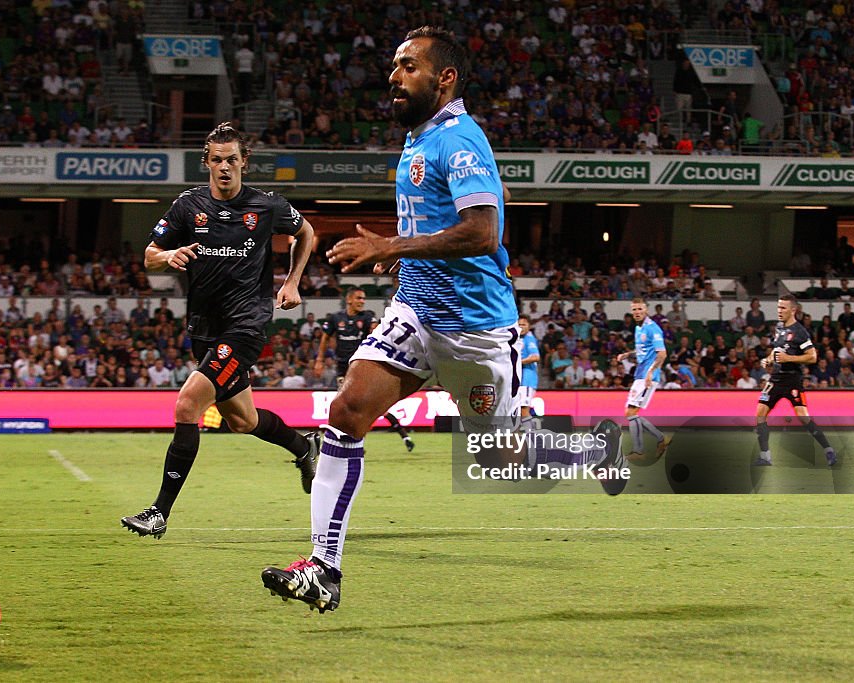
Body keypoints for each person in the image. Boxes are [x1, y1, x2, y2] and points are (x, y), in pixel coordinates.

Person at [260, 26, 623, 614]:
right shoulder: (419, 138)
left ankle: (594, 451)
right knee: (347, 409)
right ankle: (324, 569)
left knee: (503, 460)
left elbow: (484, 233)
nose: (394, 76)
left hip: (476, 330)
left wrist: (391, 248)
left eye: (408, 66)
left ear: (444, 77)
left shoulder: (460, 141)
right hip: (418, 314)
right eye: (394, 66)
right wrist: (399, 259)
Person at [121, 122, 320, 539]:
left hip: (246, 325)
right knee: (243, 421)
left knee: (187, 405)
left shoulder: (266, 206)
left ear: (244, 161)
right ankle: (304, 446)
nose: (225, 167)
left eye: (232, 159)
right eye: (217, 160)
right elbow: (149, 256)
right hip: (205, 327)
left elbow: (306, 233)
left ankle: (159, 512)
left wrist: (292, 281)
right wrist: (170, 253)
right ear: (207, 163)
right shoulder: (187, 206)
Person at [315, 287, 415, 452]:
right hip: (342, 368)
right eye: (359, 298)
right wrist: (319, 360)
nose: (362, 301)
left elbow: (376, 329)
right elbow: (325, 338)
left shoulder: (367, 317)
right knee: (353, 406)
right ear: (349, 300)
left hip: (362, 366)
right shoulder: (335, 318)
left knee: (366, 406)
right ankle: (400, 435)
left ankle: (359, 441)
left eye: (363, 299)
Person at [755, 294, 837, 467]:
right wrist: (768, 359)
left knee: (803, 417)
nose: (779, 311)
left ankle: (828, 450)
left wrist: (788, 359)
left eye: (783, 308)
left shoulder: (800, 332)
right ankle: (765, 456)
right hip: (775, 380)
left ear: (793, 310)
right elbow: (776, 350)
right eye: (778, 307)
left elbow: (812, 357)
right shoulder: (779, 327)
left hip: (793, 380)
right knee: (760, 413)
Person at [616, 298, 669, 463]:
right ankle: (661, 439)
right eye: (634, 310)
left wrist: (650, 372)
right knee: (631, 413)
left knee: (630, 413)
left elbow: (662, 354)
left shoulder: (653, 329)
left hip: (647, 376)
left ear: (646, 309)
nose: (637, 312)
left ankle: (640, 451)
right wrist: (628, 354)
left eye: (640, 309)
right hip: (640, 373)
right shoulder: (639, 328)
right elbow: (644, 349)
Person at [516, 313, 541, 428]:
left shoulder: (529, 338)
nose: (521, 327)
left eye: (524, 324)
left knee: (523, 408)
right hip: (518, 378)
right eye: (519, 324)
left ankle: (530, 435)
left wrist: (517, 362)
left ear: (529, 326)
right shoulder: (517, 339)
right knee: (516, 409)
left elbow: (536, 357)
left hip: (527, 378)